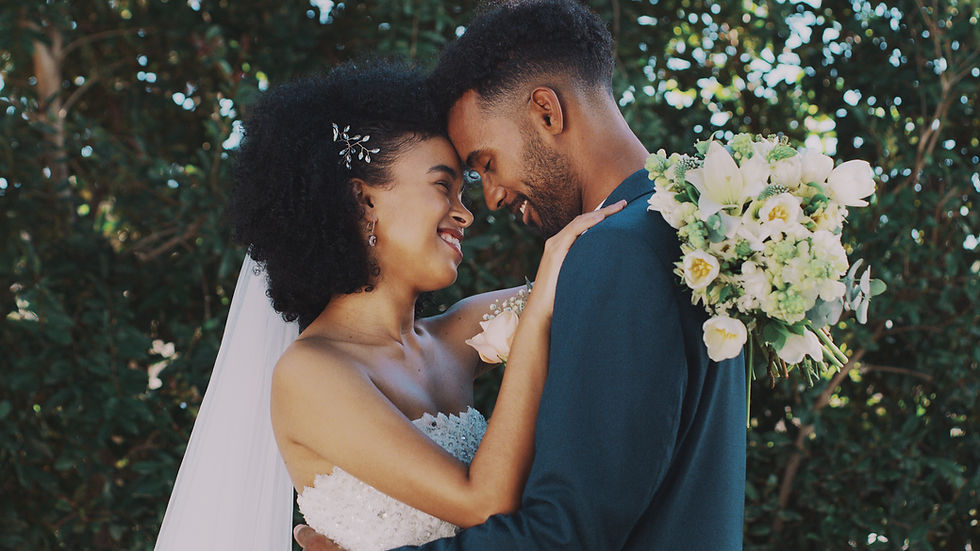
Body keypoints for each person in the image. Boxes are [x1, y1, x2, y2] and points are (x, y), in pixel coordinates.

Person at [294, 1, 747, 550]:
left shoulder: (614, 254)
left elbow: (564, 534)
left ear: (547, 112)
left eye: (483, 166)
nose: (486, 201)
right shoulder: (694, 236)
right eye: (452, 183)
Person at [154, 59, 625, 551]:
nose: (465, 213)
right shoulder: (311, 374)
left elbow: (589, 277)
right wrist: (534, 327)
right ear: (362, 203)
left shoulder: (458, 332)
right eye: (443, 186)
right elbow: (482, 503)